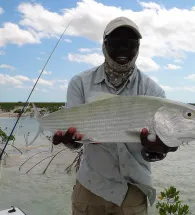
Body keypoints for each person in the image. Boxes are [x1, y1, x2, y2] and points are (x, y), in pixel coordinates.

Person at [53, 16, 178, 215]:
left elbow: (157, 150)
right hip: (91, 186)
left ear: (138, 47)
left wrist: (158, 150)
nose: (123, 49)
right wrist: (71, 141)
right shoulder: (80, 83)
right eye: (116, 42)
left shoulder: (152, 91)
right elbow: (75, 140)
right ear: (104, 44)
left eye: (131, 43)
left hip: (134, 188)